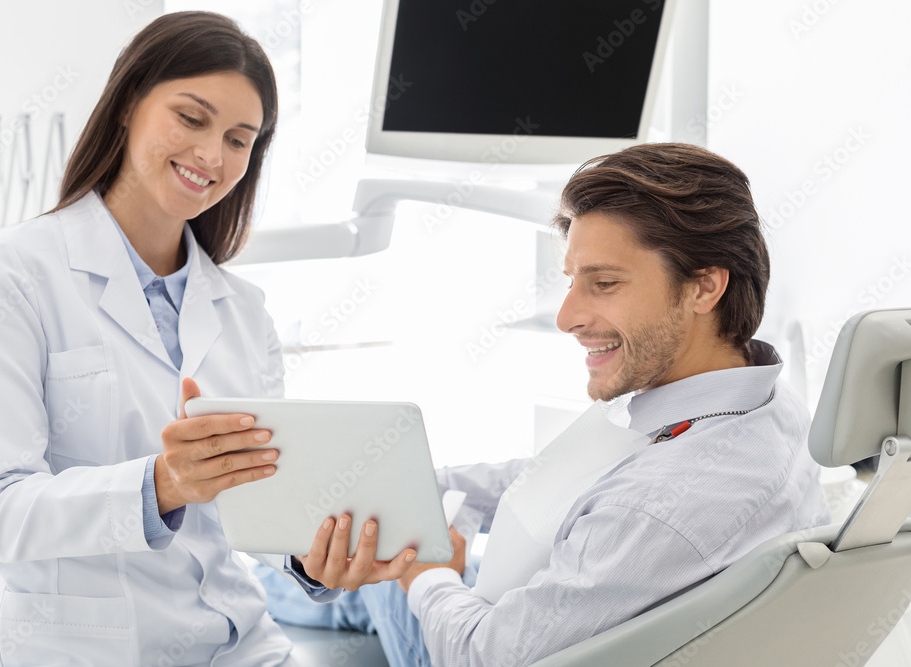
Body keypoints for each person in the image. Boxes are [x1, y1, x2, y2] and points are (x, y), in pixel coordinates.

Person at [0, 12, 413, 666]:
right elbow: (0, 511)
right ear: (128, 103)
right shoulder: (17, 272)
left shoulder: (243, 311)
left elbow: (255, 506)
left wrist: (311, 555)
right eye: (191, 119)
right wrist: (159, 484)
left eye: (238, 139)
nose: (211, 157)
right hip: (84, 649)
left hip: (240, 644)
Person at [258, 142, 833, 666]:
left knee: (383, 575)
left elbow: (482, 655)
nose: (568, 317)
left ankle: (282, 586)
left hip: (476, 644)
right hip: (549, 608)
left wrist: (431, 577)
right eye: (571, 282)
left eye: (603, 284)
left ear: (705, 287)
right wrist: (410, 482)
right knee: (375, 558)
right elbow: (575, 479)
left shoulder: (658, 508)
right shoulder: (763, 403)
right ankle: (304, 587)